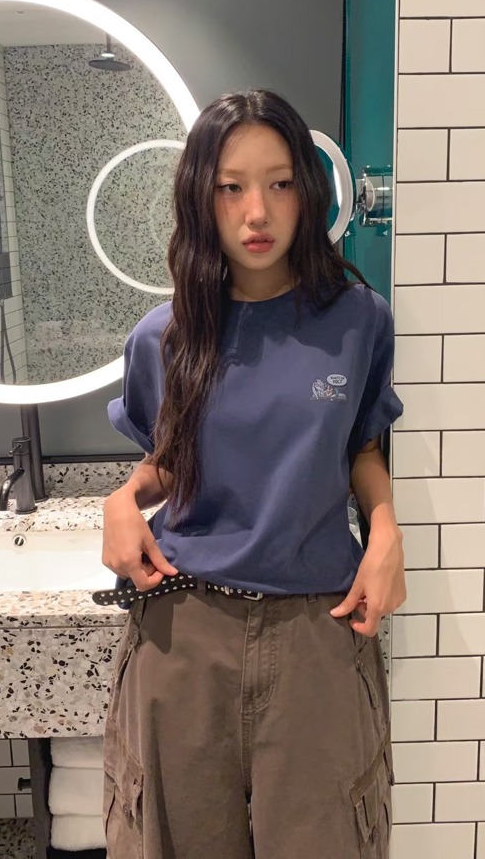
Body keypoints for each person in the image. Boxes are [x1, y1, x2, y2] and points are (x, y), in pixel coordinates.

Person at [101, 89, 406, 859]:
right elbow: (167, 461)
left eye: (280, 183)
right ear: (200, 199)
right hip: (184, 631)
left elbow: (362, 449)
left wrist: (385, 534)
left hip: (317, 632)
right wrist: (124, 499)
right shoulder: (163, 337)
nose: (257, 212)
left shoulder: (357, 320)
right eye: (230, 187)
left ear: (309, 189)